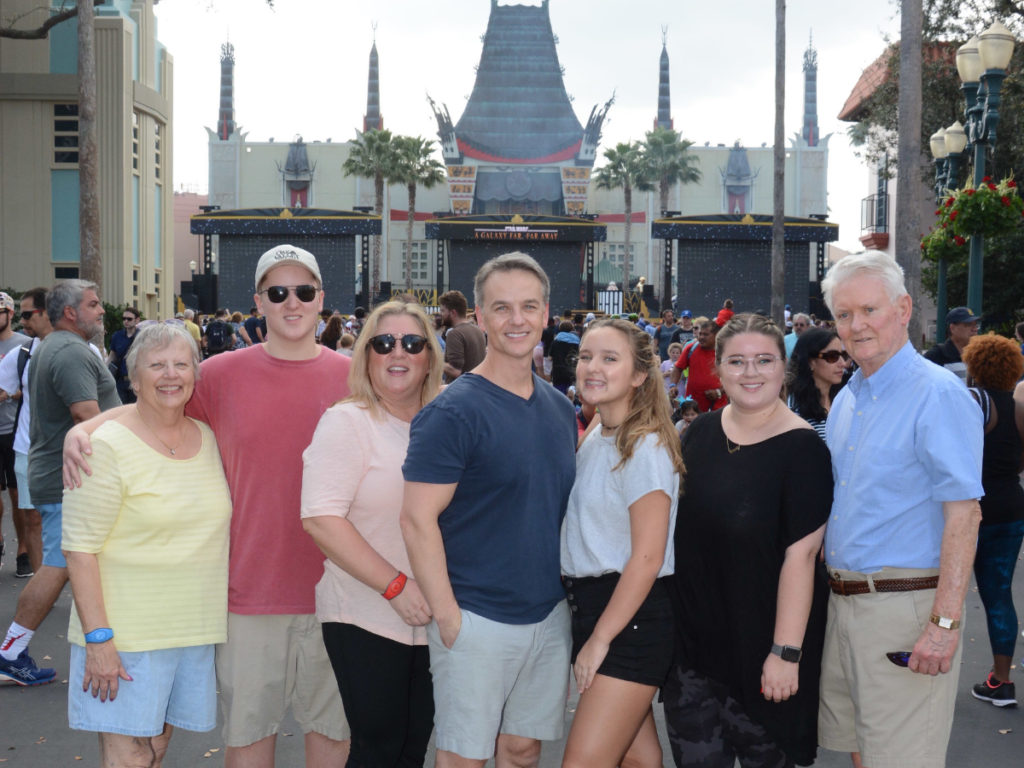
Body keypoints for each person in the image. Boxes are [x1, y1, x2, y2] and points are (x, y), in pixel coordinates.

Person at [63, 244, 353, 768]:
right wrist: (84, 428)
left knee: (333, 737)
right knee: (247, 742)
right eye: (278, 292)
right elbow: (153, 404)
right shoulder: (219, 374)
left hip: (341, 590)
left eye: (303, 291)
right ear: (259, 301)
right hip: (247, 595)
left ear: (321, 301)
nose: (292, 302)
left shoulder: (355, 378)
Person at [401, 253, 577, 768]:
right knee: (464, 758)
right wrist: (450, 618)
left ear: (546, 313)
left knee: (522, 751)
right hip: (475, 616)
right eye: (502, 307)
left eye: (528, 306)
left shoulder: (560, 409)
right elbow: (416, 519)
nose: (516, 319)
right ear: (480, 316)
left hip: (547, 615)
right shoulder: (451, 412)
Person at [818, 250, 983, 768]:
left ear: (904, 308)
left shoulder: (937, 395)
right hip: (844, 604)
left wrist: (945, 624)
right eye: (844, 315)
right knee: (863, 752)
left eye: (870, 309)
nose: (856, 325)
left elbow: (965, 514)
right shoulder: (850, 397)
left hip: (904, 610)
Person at [664, 313, 832, 768]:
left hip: (763, 655)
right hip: (694, 656)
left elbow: (802, 556)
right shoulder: (698, 433)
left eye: (764, 360)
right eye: (736, 362)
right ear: (717, 369)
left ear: (785, 367)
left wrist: (785, 653)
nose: (750, 372)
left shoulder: (803, 449)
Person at [62, 322, 232, 767]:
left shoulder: (211, 440)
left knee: (155, 751)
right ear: (133, 379)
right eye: (155, 365)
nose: (170, 374)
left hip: (190, 631)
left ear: (196, 373)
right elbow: (79, 549)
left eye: (180, 363)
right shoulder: (102, 447)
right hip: (124, 635)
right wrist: (100, 641)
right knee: (131, 757)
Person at [302, 302, 443, 768]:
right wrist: (395, 585)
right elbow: (321, 518)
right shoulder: (349, 422)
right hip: (366, 613)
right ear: (366, 355)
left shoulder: (444, 423)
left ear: (429, 356)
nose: (397, 352)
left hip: (433, 621)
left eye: (412, 343)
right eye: (383, 343)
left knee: (411, 751)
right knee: (378, 749)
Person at [560, 318, 683, 768]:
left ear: (638, 375)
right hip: (595, 610)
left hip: (628, 621)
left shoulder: (645, 445)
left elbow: (647, 559)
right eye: (586, 356)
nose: (592, 367)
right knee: (638, 761)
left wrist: (600, 640)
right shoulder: (596, 431)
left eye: (610, 359)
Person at [0, 281, 119, 687]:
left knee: (65, 563)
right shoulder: (68, 351)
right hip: (68, 480)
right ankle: (11, 653)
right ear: (71, 312)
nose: (102, 310)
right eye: (94, 304)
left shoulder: (57, 346)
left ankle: (13, 652)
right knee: (58, 564)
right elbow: (88, 416)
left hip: (63, 477)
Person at [960, 334, 1024, 707]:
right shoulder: (1018, 406)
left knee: (936, 591)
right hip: (1011, 508)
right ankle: (1002, 681)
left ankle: (925, 668)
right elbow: (1019, 463)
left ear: (975, 364)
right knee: (999, 595)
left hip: (970, 511)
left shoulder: (973, 401)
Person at [0, 288, 49, 580]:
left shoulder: (26, 345)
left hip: (20, 434)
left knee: (28, 505)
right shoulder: (21, 353)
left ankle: (27, 556)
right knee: (18, 508)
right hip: (23, 444)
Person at [0, 292, 30, 571]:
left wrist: (9, 394)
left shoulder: (24, 345)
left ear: (9, 313)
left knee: (17, 494)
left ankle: (23, 550)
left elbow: (31, 388)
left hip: (13, 429)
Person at [785, 328, 850, 440]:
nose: (843, 363)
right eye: (832, 356)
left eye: (843, 355)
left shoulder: (846, 398)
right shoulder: (792, 406)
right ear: (811, 361)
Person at [669, 320, 726, 413]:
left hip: (717, 408)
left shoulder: (725, 352)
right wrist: (673, 385)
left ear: (717, 335)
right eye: (700, 334)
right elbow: (678, 368)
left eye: (706, 334)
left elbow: (736, 379)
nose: (701, 337)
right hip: (692, 410)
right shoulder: (691, 348)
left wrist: (719, 392)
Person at [923, 306, 980, 382]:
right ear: (953, 328)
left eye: (975, 325)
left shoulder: (979, 355)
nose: (975, 329)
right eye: (968, 325)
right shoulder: (938, 355)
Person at [439, 290, 486, 381]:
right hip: (476, 388)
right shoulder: (478, 331)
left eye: (442, 310)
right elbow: (468, 357)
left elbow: (455, 370)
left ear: (453, 313)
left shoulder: (454, 334)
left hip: (459, 392)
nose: (440, 314)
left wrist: (432, 363)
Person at [106, 306, 140, 404]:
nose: (126, 321)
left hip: (136, 380)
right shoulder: (117, 336)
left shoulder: (142, 336)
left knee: (135, 410)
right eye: (124, 318)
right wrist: (104, 370)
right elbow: (112, 356)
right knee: (121, 409)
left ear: (137, 320)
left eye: (129, 319)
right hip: (120, 380)